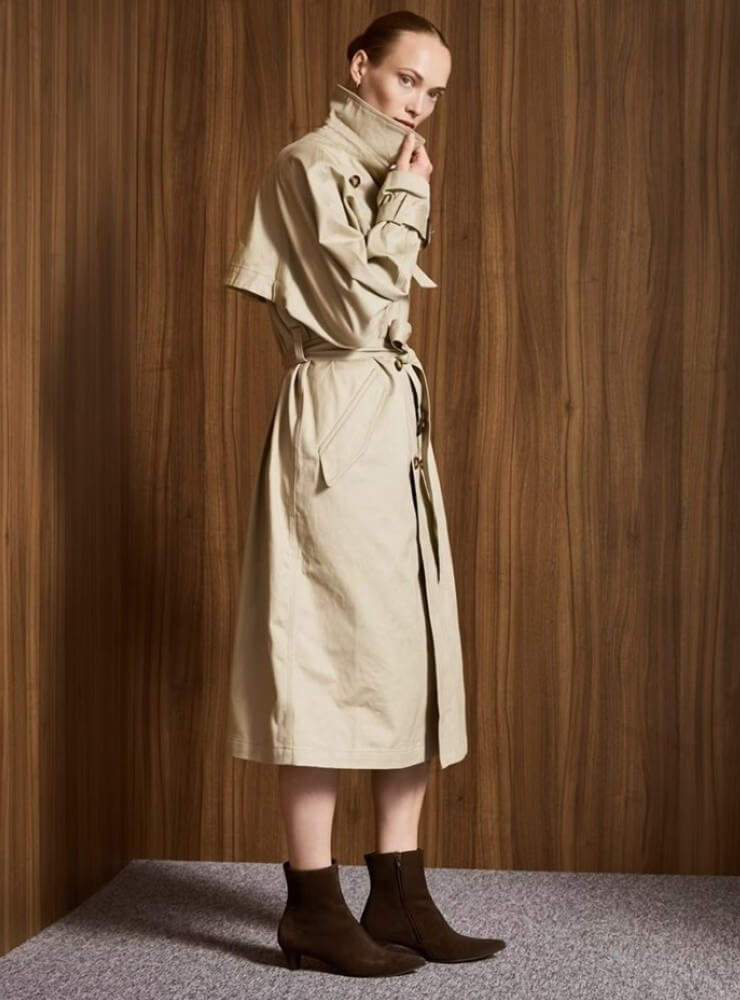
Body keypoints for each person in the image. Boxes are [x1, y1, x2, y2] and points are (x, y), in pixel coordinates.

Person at [223, 10, 506, 977]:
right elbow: (353, 308)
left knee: (407, 650)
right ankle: (311, 905)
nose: (420, 103)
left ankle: (400, 892)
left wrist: (403, 196)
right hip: (340, 415)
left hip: (392, 422)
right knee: (327, 660)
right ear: (360, 68)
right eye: (407, 80)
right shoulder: (310, 166)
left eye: (433, 91)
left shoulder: (389, 174)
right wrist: (412, 204)